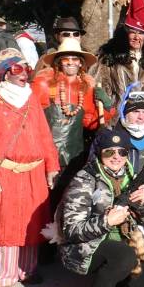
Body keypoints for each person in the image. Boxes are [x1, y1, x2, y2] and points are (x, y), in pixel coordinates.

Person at [0, 49, 60, 287]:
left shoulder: (31, 99)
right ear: (4, 74)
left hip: (34, 172)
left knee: (32, 222)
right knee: (6, 224)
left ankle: (28, 269)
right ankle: (3, 276)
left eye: (27, 68)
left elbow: (44, 135)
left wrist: (51, 167)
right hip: (6, 173)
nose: (25, 73)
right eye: (17, 68)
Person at [56, 128, 144, 287]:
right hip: (88, 246)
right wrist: (107, 221)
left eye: (122, 152)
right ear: (99, 152)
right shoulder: (84, 178)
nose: (116, 157)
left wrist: (143, 204)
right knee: (125, 256)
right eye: (109, 152)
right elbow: (70, 230)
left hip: (125, 240)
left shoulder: (130, 174)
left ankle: (112, 276)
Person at [31, 38, 102, 196]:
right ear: (58, 62)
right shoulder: (42, 83)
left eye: (75, 58)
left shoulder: (87, 86)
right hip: (45, 157)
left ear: (81, 63)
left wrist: (107, 107)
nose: (70, 62)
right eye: (66, 58)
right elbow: (30, 119)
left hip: (75, 158)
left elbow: (90, 123)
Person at [92, 24, 144, 108]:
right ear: (125, 35)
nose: (137, 37)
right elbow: (99, 88)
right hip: (117, 116)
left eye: (140, 33)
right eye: (132, 32)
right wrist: (109, 108)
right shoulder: (109, 58)